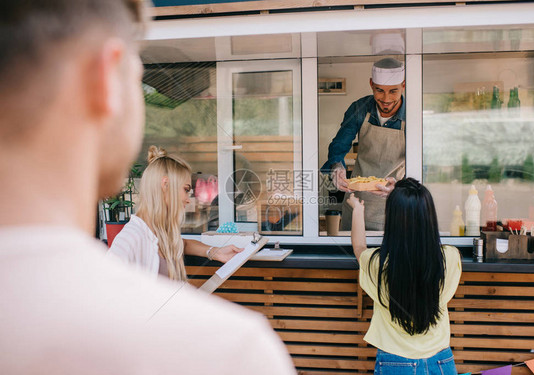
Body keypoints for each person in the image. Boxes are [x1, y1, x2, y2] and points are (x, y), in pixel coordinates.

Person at [0, 1, 296, 374]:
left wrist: (210, 251)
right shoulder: (231, 351)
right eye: (138, 77)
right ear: (104, 78)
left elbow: (170, 240)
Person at [347, 178, 461, 374]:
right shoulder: (449, 258)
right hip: (441, 362)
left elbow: (359, 247)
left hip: (394, 363)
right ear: (429, 216)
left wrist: (357, 209)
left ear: (392, 219)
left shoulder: (379, 264)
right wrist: (400, 197)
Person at [109, 145, 243, 280]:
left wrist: (215, 252)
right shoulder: (131, 238)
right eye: (186, 190)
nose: (188, 199)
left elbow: (183, 244)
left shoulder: (159, 233)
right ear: (165, 185)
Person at [322, 57, 406, 231]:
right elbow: (339, 145)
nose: (386, 98)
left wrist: (402, 188)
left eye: (393, 91)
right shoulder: (360, 108)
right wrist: (337, 167)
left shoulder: (412, 114)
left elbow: (421, 162)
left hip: (395, 201)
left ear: (403, 85)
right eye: (379, 90)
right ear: (371, 84)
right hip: (357, 201)